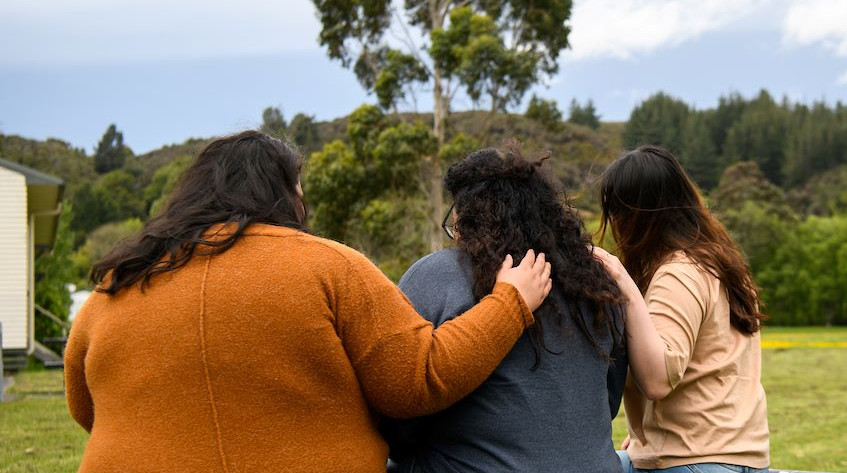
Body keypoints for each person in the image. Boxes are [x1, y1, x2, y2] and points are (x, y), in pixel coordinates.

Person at [63, 131, 553, 473]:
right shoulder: (327, 266)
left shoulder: (118, 282)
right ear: (286, 195)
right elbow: (418, 380)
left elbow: (84, 407)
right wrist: (509, 302)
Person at [382, 144, 629, 472]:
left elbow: (401, 415)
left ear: (464, 214)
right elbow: (608, 403)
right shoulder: (595, 284)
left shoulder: (437, 276)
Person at [594, 145, 771, 473]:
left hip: (694, 460)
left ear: (642, 214)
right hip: (737, 455)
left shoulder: (679, 272)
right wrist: (649, 439)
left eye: (619, 211)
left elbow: (658, 380)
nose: (616, 224)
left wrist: (623, 282)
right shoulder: (719, 263)